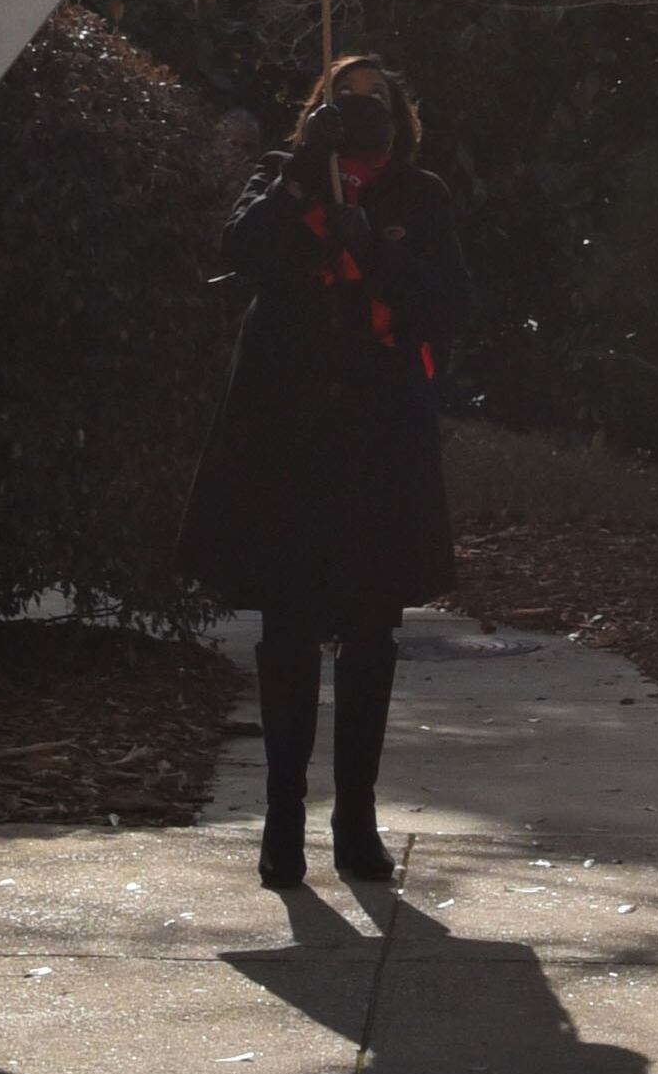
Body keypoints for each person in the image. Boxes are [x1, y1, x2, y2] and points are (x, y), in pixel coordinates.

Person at [180, 54, 468, 890]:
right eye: (344, 102)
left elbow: (451, 302)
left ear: (400, 116)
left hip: (379, 449)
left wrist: (375, 251)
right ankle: (281, 822)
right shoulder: (286, 179)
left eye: (375, 102)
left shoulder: (422, 197)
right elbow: (241, 249)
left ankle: (356, 823)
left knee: (372, 635)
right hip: (288, 448)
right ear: (319, 112)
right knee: (290, 633)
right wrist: (305, 172)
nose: (360, 114)